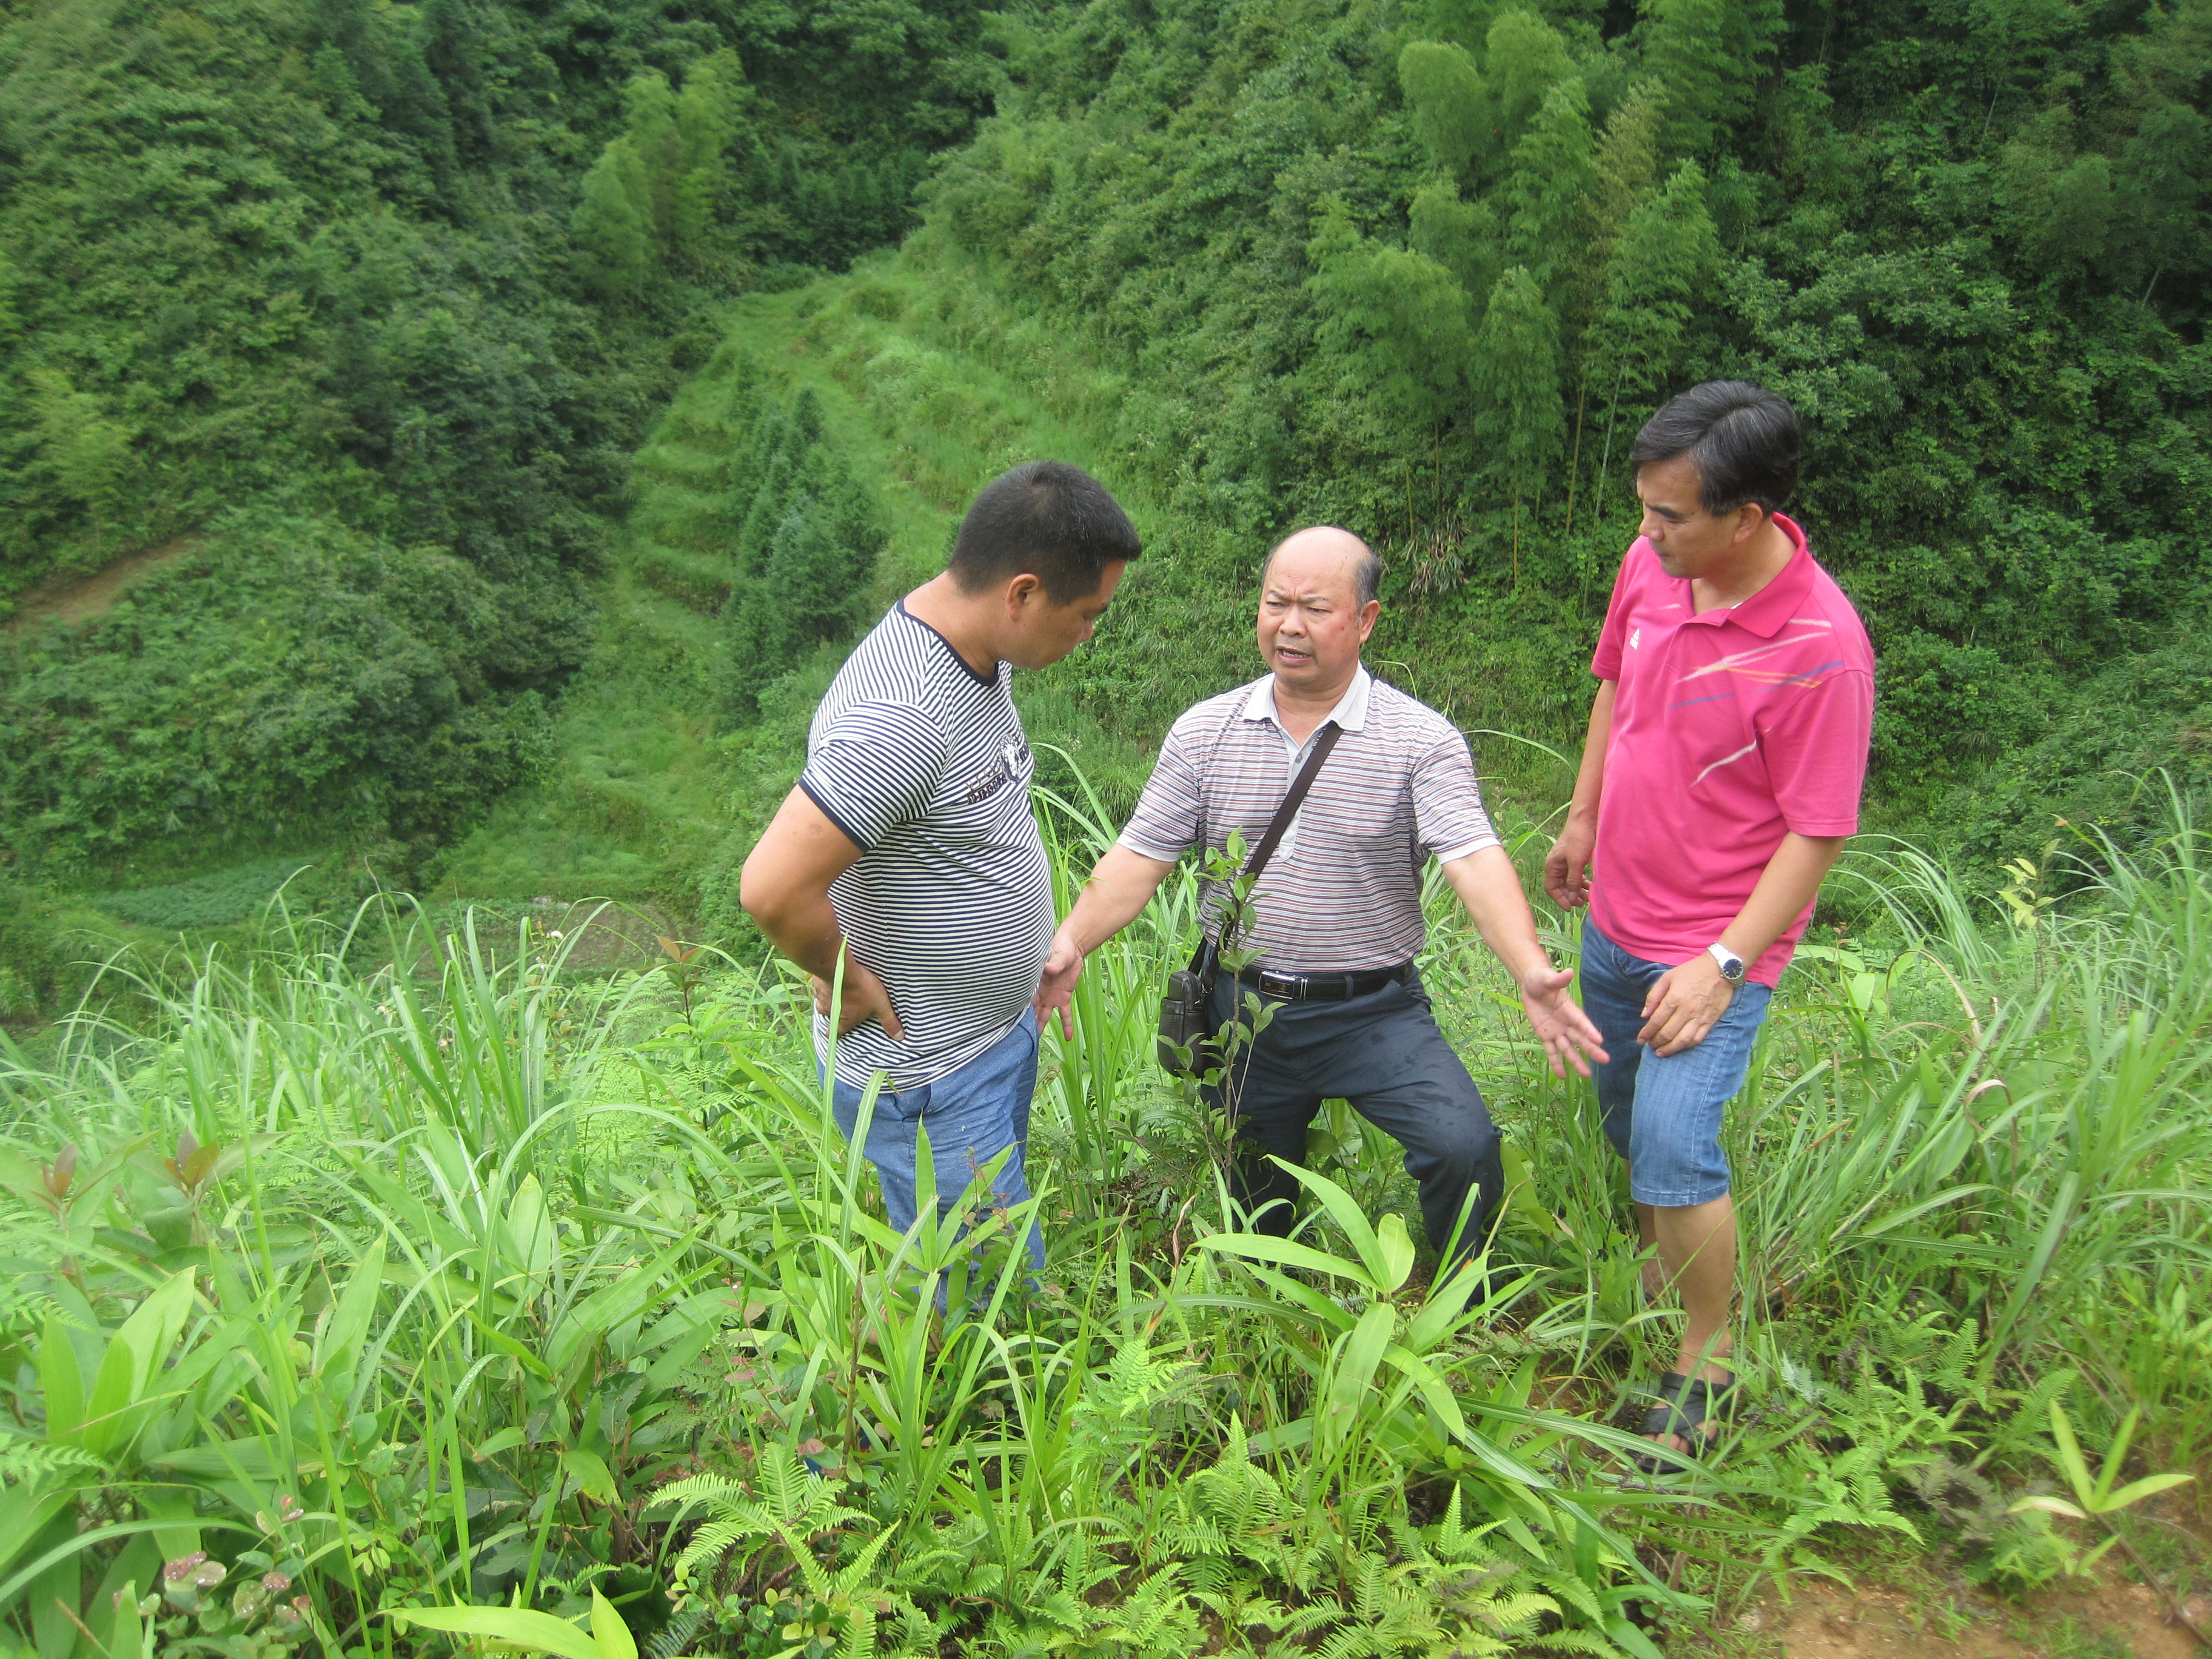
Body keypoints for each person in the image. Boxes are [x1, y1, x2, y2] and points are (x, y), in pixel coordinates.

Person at [1036, 526, 1608, 1272]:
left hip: (1373, 1011)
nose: (1290, 626)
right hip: (1244, 1011)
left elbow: (1473, 857)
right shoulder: (1205, 731)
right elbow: (1141, 855)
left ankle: (1462, 1302)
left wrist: (1529, 968)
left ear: (1365, 621)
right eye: (1276, 604)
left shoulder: (1419, 740)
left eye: (1315, 608)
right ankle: (1264, 1318)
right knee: (1256, 1203)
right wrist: (1069, 941)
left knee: (1462, 1145)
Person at [1542, 381, 1874, 1470]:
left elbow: (1816, 832)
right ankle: (1659, 1264)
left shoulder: (1821, 646)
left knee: (1674, 1150)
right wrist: (1582, 815)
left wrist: (1724, 964)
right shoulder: (1653, 568)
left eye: (1668, 514)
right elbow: (1611, 687)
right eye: (1642, 507)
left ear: (1748, 517)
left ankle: (1706, 1354)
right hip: (1616, 915)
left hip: (1712, 944)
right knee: (1623, 1113)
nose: (1643, 533)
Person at [739, 460, 1141, 1270]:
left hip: (984, 1044)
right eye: (1088, 613)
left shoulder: (972, 650)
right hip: (931, 1082)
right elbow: (772, 886)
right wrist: (841, 972)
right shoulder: (905, 712)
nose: (1091, 633)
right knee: (990, 1317)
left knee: (979, 1280)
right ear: (1022, 594)